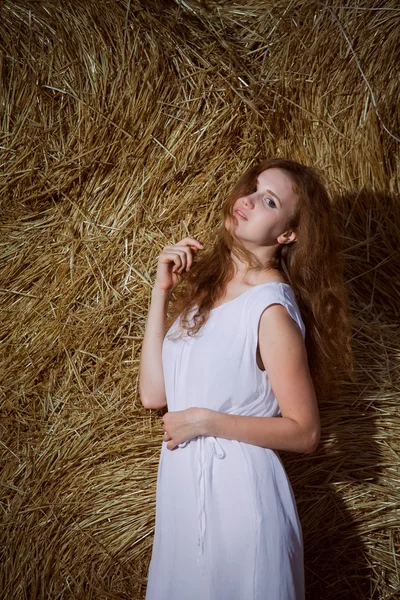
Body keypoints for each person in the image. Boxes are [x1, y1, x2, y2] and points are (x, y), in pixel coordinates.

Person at [139, 158, 353, 600]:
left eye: (269, 200)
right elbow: (154, 394)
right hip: (182, 500)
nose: (250, 200)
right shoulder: (205, 294)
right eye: (253, 188)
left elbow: (305, 431)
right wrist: (161, 294)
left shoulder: (270, 309)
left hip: (240, 504)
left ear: (287, 234)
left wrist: (206, 422)